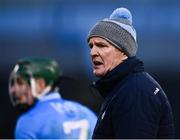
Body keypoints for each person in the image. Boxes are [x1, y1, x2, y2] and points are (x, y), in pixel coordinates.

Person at [86, 7, 174, 138]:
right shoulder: (123, 88)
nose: (93, 52)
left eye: (101, 45)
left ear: (124, 52)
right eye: (91, 46)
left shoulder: (135, 92)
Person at [8, 57, 97, 139]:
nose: (14, 90)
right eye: (13, 84)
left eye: (20, 83)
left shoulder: (28, 121)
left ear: (40, 84)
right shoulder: (87, 113)